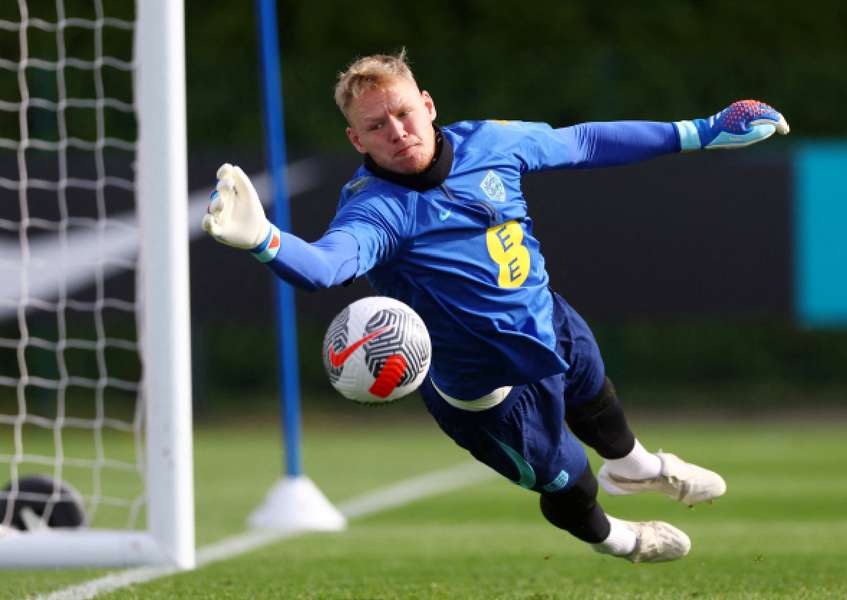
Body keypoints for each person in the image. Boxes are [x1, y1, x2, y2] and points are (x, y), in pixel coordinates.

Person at [203, 50, 789, 563]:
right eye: (376, 126)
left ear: (427, 105)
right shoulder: (375, 209)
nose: (398, 131)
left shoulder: (491, 142)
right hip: (486, 395)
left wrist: (701, 130)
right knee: (573, 487)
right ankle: (619, 540)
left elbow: (581, 141)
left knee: (596, 397)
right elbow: (329, 266)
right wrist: (264, 239)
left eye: (404, 113)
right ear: (357, 141)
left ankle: (635, 467)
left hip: (546, 319)